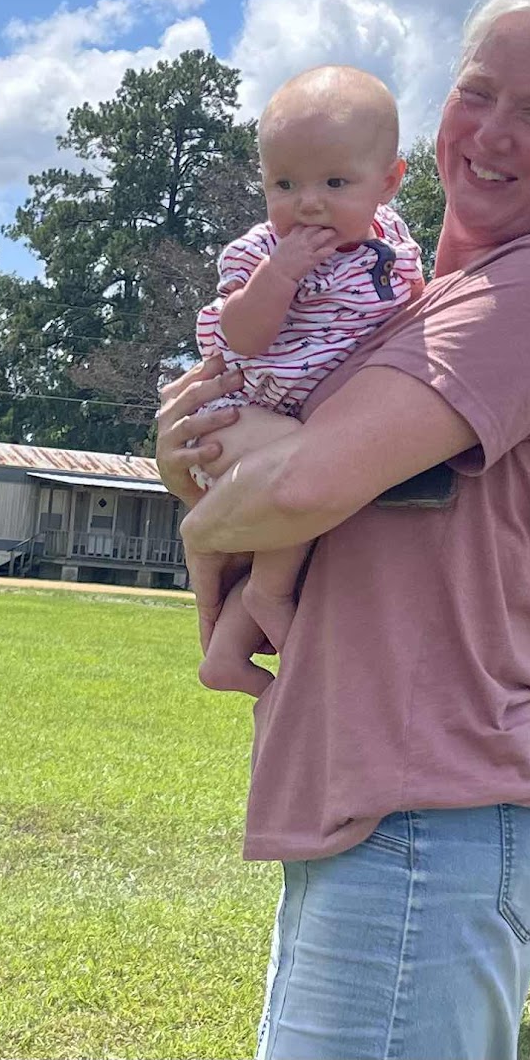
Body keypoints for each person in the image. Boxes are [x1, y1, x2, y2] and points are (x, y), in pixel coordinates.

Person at [156, 0, 530, 1059]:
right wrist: (185, 461)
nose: (491, 132)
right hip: (373, 805)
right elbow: (274, 491)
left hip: (433, 811)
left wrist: (206, 511)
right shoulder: (403, 305)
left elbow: (296, 489)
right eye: (477, 92)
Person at [190, 65, 424, 695]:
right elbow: (242, 335)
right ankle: (268, 596)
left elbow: (414, 305)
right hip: (249, 413)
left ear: (388, 183)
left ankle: (226, 654)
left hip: (305, 424)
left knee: (307, 511)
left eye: (335, 182)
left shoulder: (392, 244)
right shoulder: (260, 253)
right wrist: (280, 275)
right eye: (285, 184)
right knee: (306, 479)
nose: (308, 202)